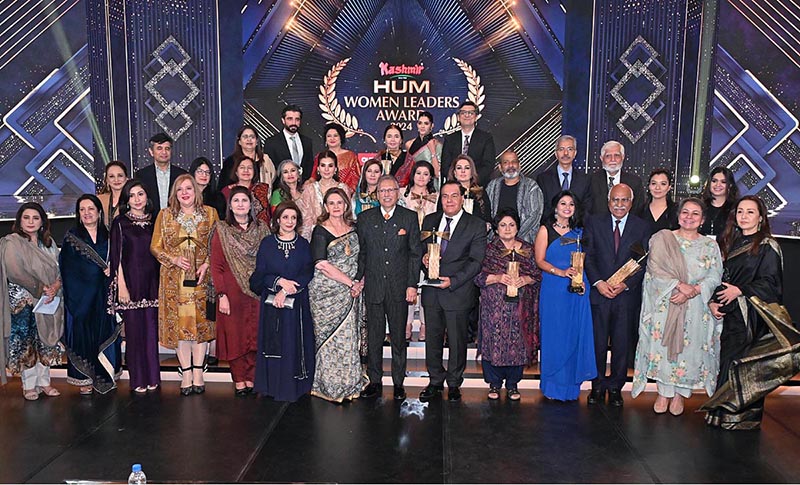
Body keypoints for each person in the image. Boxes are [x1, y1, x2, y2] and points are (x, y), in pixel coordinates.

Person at [631, 198, 723, 415]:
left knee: (689, 352)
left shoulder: (710, 245)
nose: (689, 217)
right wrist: (679, 287)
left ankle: (680, 395)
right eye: (685, 212)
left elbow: (715, 276)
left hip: (695, 308)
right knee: (662, 350)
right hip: (666, 303)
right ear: (678, 215)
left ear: (702, 219)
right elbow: (655, 271)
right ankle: (663, 393)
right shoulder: (663, 238)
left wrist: (694, 290)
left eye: (695, 214)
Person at [704, 196, 783, 429]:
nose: (744, 216)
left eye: (750, 212)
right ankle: (722, 414)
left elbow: (771, 284)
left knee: (744, 366)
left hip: (752, 318)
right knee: (728, 363)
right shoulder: (732, 242)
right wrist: (713, 301)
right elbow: (724, 279)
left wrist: (740, 290)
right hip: (732, 316)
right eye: (740, 212)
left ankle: (741, 419)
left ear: (761, 217)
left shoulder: (768, 246)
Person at [419, 181, 487, 402]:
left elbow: (476, 261)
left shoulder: (475, 225)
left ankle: (455, 383)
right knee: (433, 340)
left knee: (457, 342)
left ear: (462, 198)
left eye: (454, 196)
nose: (449, 200)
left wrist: (454, 280)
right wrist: (424, 259)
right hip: (432, 292)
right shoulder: (429, 221)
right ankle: (435, 381)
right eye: (445, 196)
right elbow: (421, 251)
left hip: (458, 290)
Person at [584, 183, 651, 407]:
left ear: (631, 203)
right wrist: (598, 283)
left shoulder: (642, 227)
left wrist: (626, 285)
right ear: (608, 201)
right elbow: (588, 256)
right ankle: (597, 385)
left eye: (624, 200)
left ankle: (615, 388)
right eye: (615, 200)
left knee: (622, 344)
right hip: (599, 293)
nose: (619, 205)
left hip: (625, 296)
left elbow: (644, 261)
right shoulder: (594, 222)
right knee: (598, 343)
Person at [150, 174, 218, 395]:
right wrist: (174, 259)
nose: (185, 193)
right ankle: (186, 372)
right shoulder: (165, 214)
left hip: (201, 279)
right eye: (180, 190)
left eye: (189, 188)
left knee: (201, 326)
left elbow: (217, 245)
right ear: (174, 194)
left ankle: (199, 372)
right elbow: (155, 247)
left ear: (196, 191)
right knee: (181, 328)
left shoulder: (210, 213)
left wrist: (206, 265)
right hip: (174, 280)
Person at [356, 175, 422, 401]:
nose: (386, 194)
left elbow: (415, 254)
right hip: (373, 287)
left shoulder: (409, 218)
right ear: (376, 194)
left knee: (398, 337)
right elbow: (362, 254)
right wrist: (357, 279)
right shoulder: (364, 218)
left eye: (391, 190)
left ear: (397, 192)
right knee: (374, 337)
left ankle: (398, 382)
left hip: (399, 288)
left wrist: (412, 284)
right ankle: (374, 381)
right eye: (382, 191)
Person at [534, 191, 596, 401]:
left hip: (577, 290)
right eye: (563, 203)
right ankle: (552, 386)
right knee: (554, 335)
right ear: (555, 207)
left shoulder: (581, 232)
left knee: (574, 335)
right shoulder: (545, 230)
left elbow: (587, 261)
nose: (567, 207)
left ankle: (571, 386)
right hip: (553, 289)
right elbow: (540, 260)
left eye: (571, 204)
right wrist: (560, 272)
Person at [250, 202, 315, 402]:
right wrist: (279, 283)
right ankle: (273, 387)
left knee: (294, 343)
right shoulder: (267, 244)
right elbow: (259, 275)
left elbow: (307, 272)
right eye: (285, 217)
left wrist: (287, 290)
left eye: (293, 218)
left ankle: (295, 387)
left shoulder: (303, 244)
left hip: (297, 304)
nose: (289, 221)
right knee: (274, 344)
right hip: (273, 305)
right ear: (277, 220)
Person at [210, 186, 270, 396]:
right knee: (235, 337)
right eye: (236, 201)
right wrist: (221, 295)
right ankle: (239, 380)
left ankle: (253, 378)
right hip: (232, 292)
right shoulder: (222, 230)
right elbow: (216, 265)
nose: (240, 204)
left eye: (244, 200)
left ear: (251, 204)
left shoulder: (262, 228)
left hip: (257, 291)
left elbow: (269, 260)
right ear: (230, 205)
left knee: (255, 335)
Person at [309, 188, 367, 402]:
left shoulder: (354, 227)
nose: (336, 207)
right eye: (331, 203)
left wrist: (359, 281)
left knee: (348, 338)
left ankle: (350, 384)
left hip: (351, 291)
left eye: (339, 203)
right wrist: (350, 282)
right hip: (326, 293)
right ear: (325, 206)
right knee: (329, 340)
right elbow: (321, 264)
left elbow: (362, 256)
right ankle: (328, 386)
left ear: (346, 205)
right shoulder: (320, 230)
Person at [475, 208, 540, 401]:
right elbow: (477, 277)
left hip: (520, 309)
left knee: (517, 344)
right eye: (502, 225)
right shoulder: (488, 250)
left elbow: (538, 275)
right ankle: (494, 383)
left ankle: (513, 384)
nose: (507, 228)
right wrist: (497, 277)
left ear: (518, 227)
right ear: (495, 229)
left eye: (511, 224)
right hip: (493, 309)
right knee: (493, 343)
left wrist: (525, 279)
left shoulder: (527, 249)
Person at [0, 203, 63, 400]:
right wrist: (41, 287)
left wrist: (55, 286)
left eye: (35, 218)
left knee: (45, 340)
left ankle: (44, 383)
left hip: (48, 300)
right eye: (26, 217)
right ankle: (28, 386)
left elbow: (60, 267)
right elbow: (14, 271)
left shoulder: (49, 243)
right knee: (27, 342)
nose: (30, 222)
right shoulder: (12, 242)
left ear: (42, 221)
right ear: (19, 220)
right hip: (23, 302)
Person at [60, 194, 120, 395]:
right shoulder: (71, 238)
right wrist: (92, 277)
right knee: (83, 336)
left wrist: (111, 269)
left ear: (99, 212)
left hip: (104, 297)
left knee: (104, 333)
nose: (86, 213)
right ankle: (83, 379)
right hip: (81, 299)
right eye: (82, 209)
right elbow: (67, 270)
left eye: (91, 209)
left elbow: (119, 260)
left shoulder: (110, 236)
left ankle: (107, 375)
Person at [108, 180, 161, 393]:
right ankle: (138, 379)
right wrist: (121, 286)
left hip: (153, 284)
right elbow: (116, 256)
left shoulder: (155, 221)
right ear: (126, 200)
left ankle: (153, 377)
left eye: (141, 194)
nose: (137, 199)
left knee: (151, 333)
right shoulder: (120, 223)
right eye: (132, 195)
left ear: (147, 197)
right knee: (135, 334)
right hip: (130, 284)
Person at [398, 160, 438, 341]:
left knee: (425, 288)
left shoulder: (436, 197)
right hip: (407, 246)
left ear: (431, 177)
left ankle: (424, 324)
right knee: (409, 286)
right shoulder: (402, 194)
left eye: (426, 174)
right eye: (418, 173)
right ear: (412, 174)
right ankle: (406, 324)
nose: (421, 177)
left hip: (429, 246)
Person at [485, 150, 543, 244]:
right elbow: (487, 214)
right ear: (500, 167)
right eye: (506, 162)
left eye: (514, 162)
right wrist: (497, 238)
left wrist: (514, 237)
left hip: (524, 242)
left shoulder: (531, 186)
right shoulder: (492, 186)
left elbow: (534, 216)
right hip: (495, 243)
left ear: (519, 165)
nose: (510, 165)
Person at [536, 135, 593, 220]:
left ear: (575, 153)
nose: (565, 153)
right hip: (550, 229)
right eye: (561, 149)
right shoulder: (543, 179)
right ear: (556, 154)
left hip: (577, 229)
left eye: (570, 149)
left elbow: (586, 209)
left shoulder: (585, 180)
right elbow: (541, 209)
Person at [299, 150, 352, 240]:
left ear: (335, 169)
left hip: (339, 237)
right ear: (318, 168)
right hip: (315, 237)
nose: (326, 169)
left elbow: (348, 214)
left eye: (330, 166)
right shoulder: (309, 189)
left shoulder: (343, 188)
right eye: (323, 165)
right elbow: (305, 220)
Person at [441, 101, 496, 185]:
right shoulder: (450, 139)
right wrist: (456, 182)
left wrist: (473, 181)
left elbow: (488, 165)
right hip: (454, 187)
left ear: (476, 117)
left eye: (470, 113)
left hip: (478, 186)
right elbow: (445, 166)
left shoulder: (486, 138)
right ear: (458, 117)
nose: (467, 115)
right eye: (463, 113)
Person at [588, 140, 645, 216]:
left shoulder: (635, 182)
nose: (613, 160)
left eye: (616, 155)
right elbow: (586, 210)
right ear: (601, 158)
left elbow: (638, 211)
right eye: (608, 156)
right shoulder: (591, 180)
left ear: (623, 157)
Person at [135, 132, 188, 210]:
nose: (164, 152)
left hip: (176, 220)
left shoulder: (181, 174)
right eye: (159, 148)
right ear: (151, 152)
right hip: (151, 220)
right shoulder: (141, 175)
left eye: (167, 148)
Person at [262, 105, 314, 183]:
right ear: (283, 120)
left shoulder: (307, 142)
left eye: (297, 119)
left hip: (303, 189)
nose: (294, 123)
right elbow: (269, 170)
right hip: (280, 190)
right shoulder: (271, 143)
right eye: (290, 119)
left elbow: (309, 166)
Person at [219, 125, 275, 189]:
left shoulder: (265, 160)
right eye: (245, 137)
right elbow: (223, 188)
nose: (249, 139)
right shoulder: (231, 162)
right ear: (239, 142)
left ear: (257, 141)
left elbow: (273, 180)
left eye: (252, 137)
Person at [395, 111, 442, 186]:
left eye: (426, 123)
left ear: (432, 126)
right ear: (417, 125)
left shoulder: (437, 145)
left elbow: (437, 174)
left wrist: (433, 152)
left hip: (431, 186)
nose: (422, 126)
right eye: (420, 123)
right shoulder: (409, 144)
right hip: (414, 184)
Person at [221, 156, 271, 225]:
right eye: (242, 167)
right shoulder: (227, 191)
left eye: (250, 168)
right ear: (236, 172)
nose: (246, 170)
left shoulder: (262, 189)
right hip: (234, 230)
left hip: (260, 230)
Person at [311, 123, 360, 192]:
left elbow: (356, 179)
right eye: (329, 136)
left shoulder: (351, 156)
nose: (332, 138)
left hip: (345, 196)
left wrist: (344, 193)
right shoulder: (320, 156)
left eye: (335, 136)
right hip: (323, 194)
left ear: (341, 137)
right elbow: (314, 177)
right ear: (325, 139)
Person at [448, 154, 492, 224]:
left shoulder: (480, 192)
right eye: (459, 168)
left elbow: (487, 218)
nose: (463, 171)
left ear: (472, 173)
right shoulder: (447, 192)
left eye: (467, 168)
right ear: (454, 173)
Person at [699, 166, 740, 238]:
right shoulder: (699, 206)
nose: (718, 185)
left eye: (723, 182)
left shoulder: (736, 208)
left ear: (730, 185)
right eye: (714, 181)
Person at [636, 168, 678, 233]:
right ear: (649, 186)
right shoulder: (639, 211)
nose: (657, 188)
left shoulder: (677, 211)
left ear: (669, 187)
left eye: (663, 184)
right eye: (653, 183)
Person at [97, 160, 129, 228]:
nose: (116, 180)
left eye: (120, 176)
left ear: (126, 178)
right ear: (107, 180)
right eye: (112, 176)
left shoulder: (133, 200)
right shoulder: (99, 200)